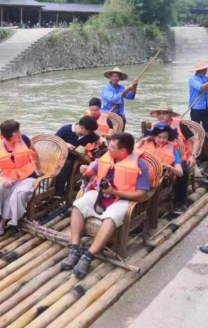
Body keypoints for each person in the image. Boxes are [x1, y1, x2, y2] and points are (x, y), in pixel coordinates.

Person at [61, 132, 150, 278]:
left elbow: (142, 194)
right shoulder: (107, 156)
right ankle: (75, 248)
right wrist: (85, 171)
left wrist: (114, 191)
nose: (108, 148)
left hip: (122, 198)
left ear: (123, 151)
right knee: (78, 205)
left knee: (111, 217)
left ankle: (88, 256)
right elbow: (91, 170)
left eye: (112, 146)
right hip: (101, 193)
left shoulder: (140, 164)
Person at [0, 120, 41, 237]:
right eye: (16, 132)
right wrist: (1, 179)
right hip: (8, 177)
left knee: (19, 194)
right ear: (8, 136)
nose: (20, 133)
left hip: (27, 177)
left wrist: (39, 169)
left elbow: (34, 152)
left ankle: (4, 220)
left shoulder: (25, 140)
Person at [150, 102, 200, 212]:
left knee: (183, 172)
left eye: (164, 113)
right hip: (157, 156)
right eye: (159, 113)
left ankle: (179, 202)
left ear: (171, 115)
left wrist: (193, 156)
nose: (161, 116)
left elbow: (195, 141)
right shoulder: (153, 127)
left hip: (179, 157)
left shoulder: (181, 126)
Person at [136, 123, 184, 212]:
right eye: (159, 137)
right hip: (140, 175)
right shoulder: (144, 143)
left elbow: (180, 173)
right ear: (153, 136)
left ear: (168, 137)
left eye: (165, 137)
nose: (161, 140)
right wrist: (140, 142)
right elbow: (129, 155)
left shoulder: (173, 149)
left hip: (160, 180)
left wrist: (170, 167)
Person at [54, 116, 100, 198]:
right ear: (82, 128)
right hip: (59, 154)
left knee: (67, 164)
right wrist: (66, 144)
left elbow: (98, 139)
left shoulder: (90, 135)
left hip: (73, 158)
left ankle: (59, 192)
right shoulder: (66, 129)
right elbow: (55, 140)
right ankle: (51, 188)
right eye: (89, 131)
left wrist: (102, 141)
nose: (90, 134)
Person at [188, 61, 208, 131]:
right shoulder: (193, 79)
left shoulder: (205, 78)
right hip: (196, 108)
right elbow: (201, 88)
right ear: (201, 70)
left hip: (206, 107)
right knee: (195, 128)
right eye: (206, 68)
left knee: (207, 127)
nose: (207, 70)